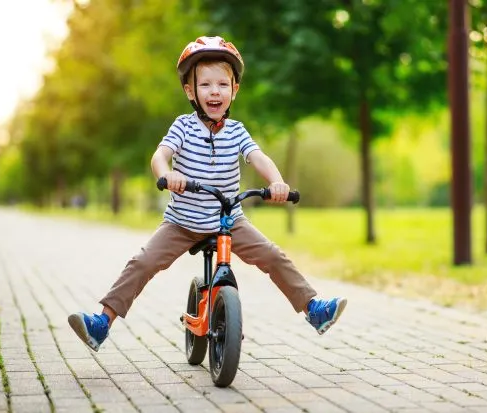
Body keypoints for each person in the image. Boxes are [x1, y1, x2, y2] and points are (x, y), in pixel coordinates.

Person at [68, 36, 347, 352]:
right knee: (143, 262)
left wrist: (278, 182)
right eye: (205, 85)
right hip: (182, 222)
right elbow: (159, 156)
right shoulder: (183, 127)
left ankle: (313, 309)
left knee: (272, 255)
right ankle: (102, 323)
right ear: (191, 91)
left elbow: (259, 158)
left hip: (229, 221)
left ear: (234, 90)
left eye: (222, 85)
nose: (215, 91)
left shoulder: (237, 131)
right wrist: (167, 174)